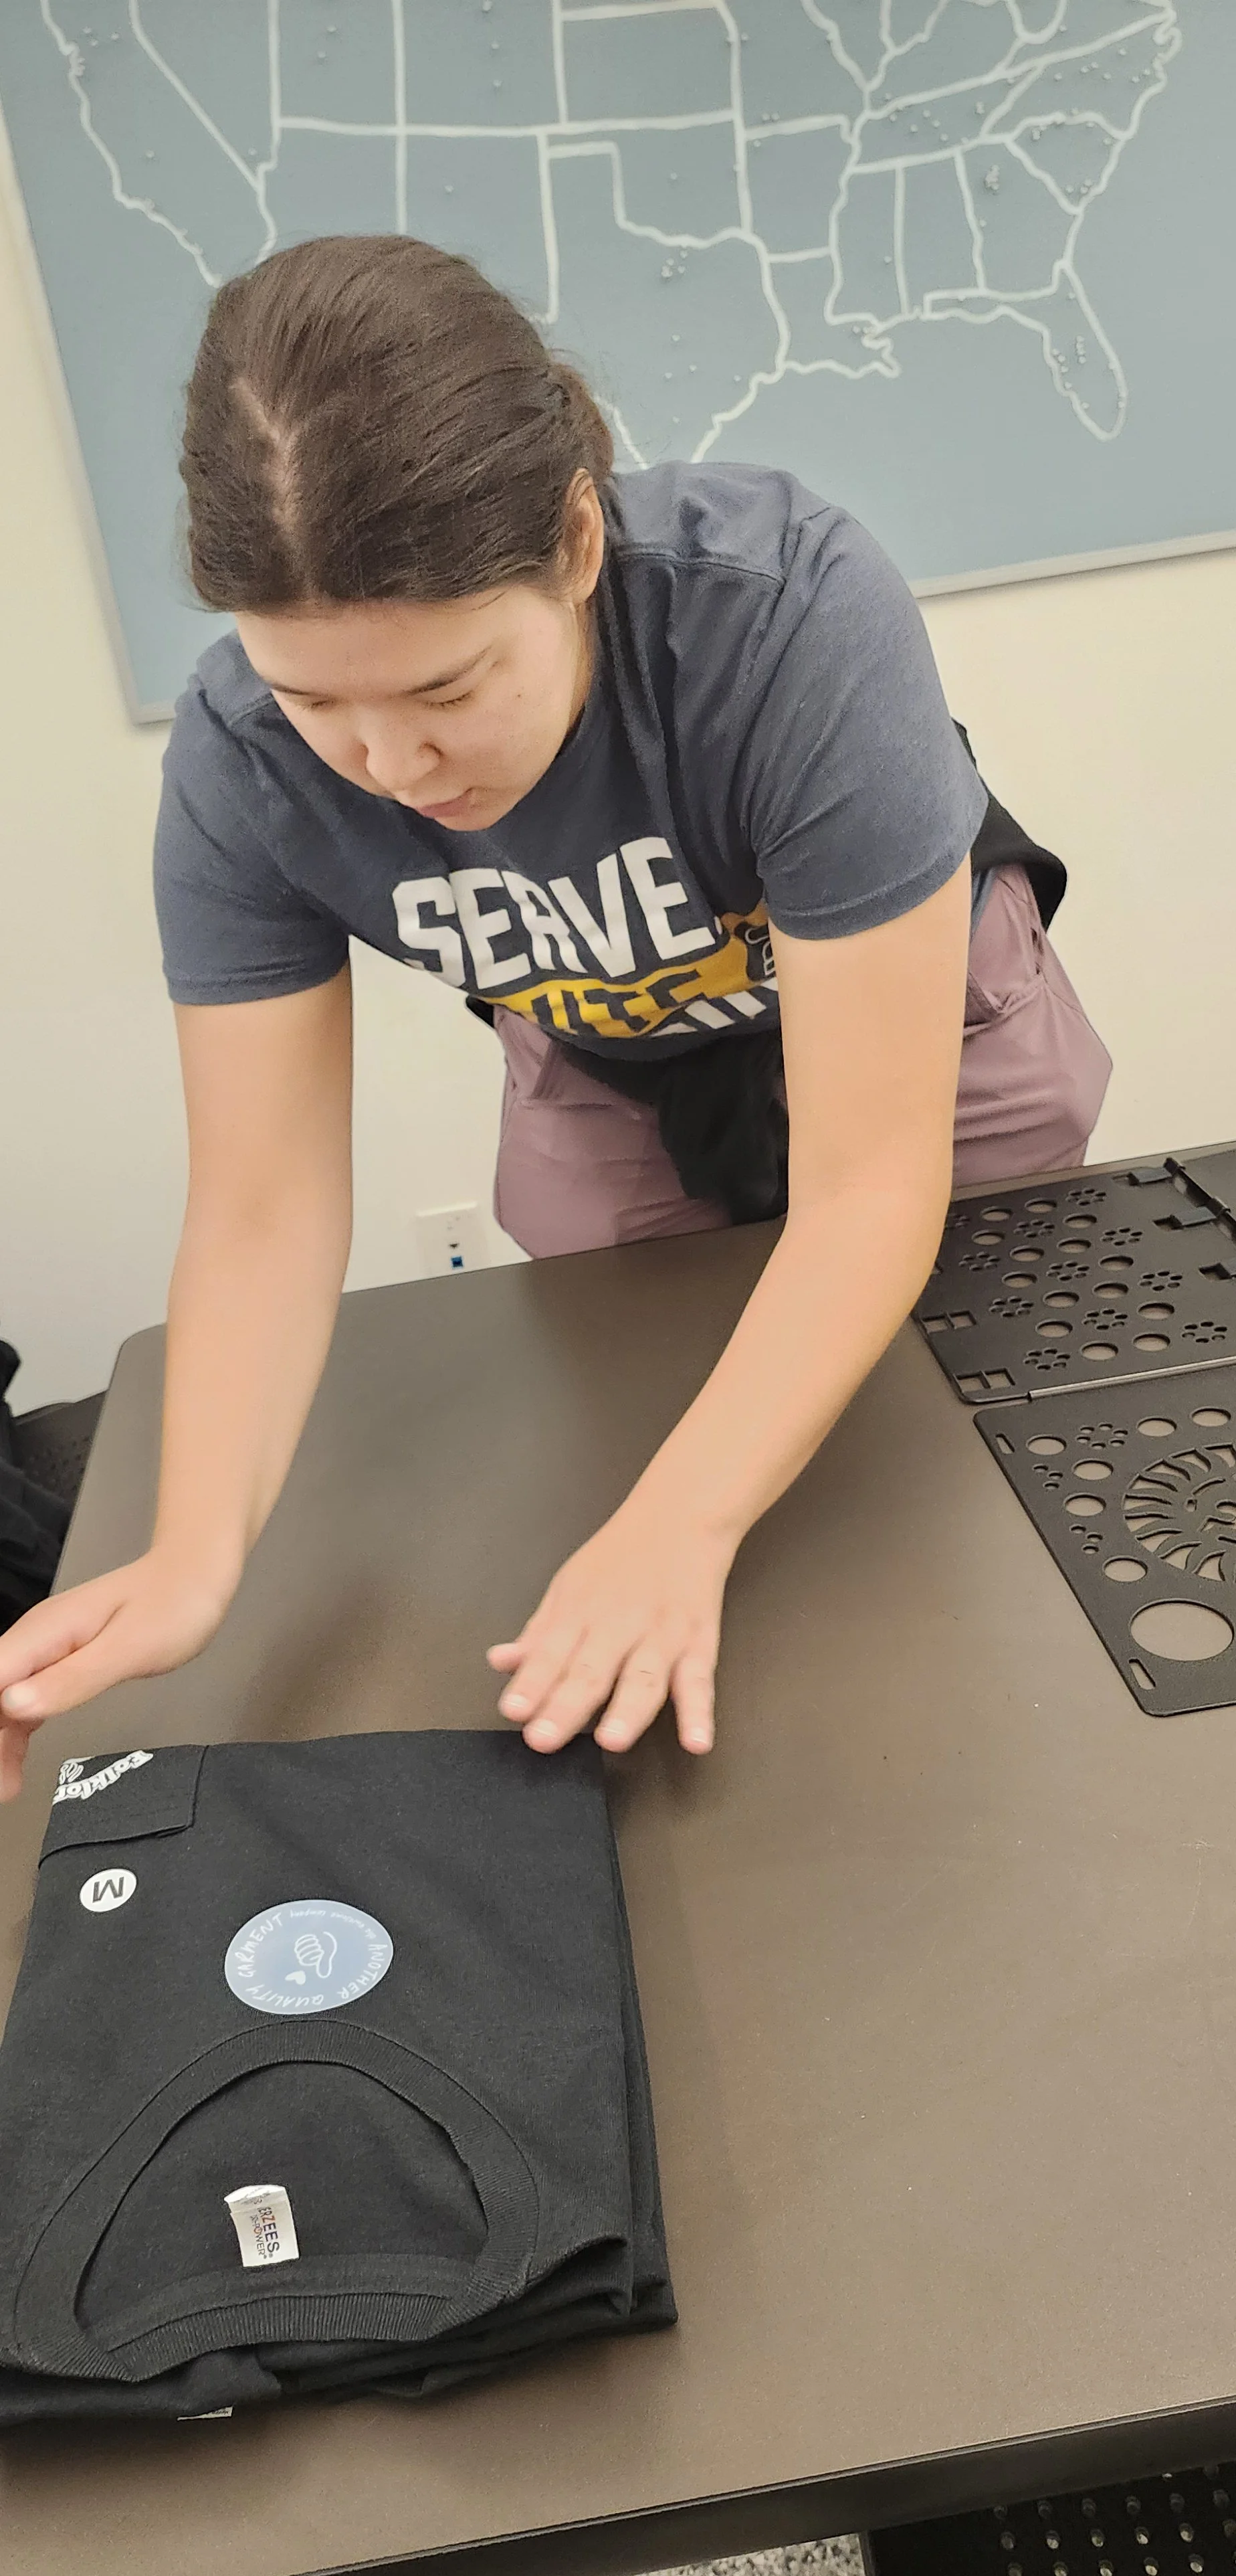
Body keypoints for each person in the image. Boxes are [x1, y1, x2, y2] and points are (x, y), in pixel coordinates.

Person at [0, 236, 1111, 1800]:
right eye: (323, 702)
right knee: (634, 1384)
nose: (393, 766)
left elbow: (871, 1177)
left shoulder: (788, 617)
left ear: (577, 541)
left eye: (451, 689)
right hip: (610, 1030)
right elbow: (260, 1207)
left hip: (912, 1010)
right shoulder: (242, 759)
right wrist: (195, 1553)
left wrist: (686, 1521)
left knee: (967, 1415)